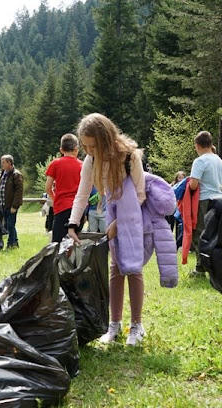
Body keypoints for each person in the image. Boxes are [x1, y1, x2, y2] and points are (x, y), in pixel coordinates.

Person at [67, 113, 147, 346]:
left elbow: (141, 194)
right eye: (85, 145)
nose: (89, 150)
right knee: (115, 269)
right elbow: (82, 195)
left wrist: (120, 222)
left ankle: (137, 326)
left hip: (133, 214)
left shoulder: (129, 156)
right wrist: (73, 224)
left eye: (93, 145)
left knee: (133, 267)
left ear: (106, 139)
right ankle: (114, 325)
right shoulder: (91, 161)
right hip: (112, 211)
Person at [187, 131, 222, 277]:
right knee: (215, 234)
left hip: (204, 200)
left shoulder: (200, 161)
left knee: (200, 234)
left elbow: (193, 185)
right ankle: (217, 266)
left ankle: (201, 268)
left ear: (197, 145)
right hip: (220, 200)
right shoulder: (219, 160)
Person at [45, 134, 83, 242]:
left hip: (62, 207)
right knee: (75, 241)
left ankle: (59, 259)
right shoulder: (82, 165)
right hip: (79, 208)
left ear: (61, 150)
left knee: (58, 243)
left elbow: (48, 187)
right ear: (76, 149)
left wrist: (55, 198)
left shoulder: (55, 164)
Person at [0, 154, 23, 249]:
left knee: (10, 225)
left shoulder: (16, 174)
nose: (2, 165)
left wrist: (15, 206)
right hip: (4, 204)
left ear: (9, 163)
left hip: (11, 205)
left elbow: (19, 191)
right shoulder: (3, 173)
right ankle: (15, 243)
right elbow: (5, 187)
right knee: (8, 225)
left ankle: (10, 245)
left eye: (3, 162)